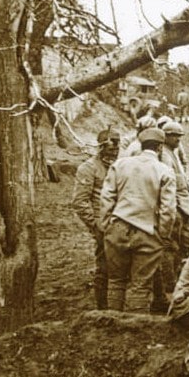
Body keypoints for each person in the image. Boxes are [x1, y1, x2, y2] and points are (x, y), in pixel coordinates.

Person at [99, 127, 176, 312]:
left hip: (118, 227)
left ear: (141, 145)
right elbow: (168, 209)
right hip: (147, 231)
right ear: (160, 147)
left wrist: (106, 225)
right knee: (140, 286)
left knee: (116, 281)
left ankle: (113, 322)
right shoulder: (164, 170)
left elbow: (106, 198)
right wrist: (163, 234)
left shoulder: (120, 165)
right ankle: (134, 325)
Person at [71, 128, 120, 309]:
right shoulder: (88, 168)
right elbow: (79, 201)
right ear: (101, 147)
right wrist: (95, 225)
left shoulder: (121, 165)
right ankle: (103, 309)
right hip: (104, 225)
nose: (115, 150)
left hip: (123, 222)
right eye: (111, 146)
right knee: (104, 268)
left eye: (117, 146)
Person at [159, 121, 189, 301]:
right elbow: (169, 184)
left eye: (179, 136)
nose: (178, 140)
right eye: (175, 136)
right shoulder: (165, 155)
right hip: (176, 206)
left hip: (183, 204)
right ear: (166, 136)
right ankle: (170, 285)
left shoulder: (173, 152)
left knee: (184, 245)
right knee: (173, 246)